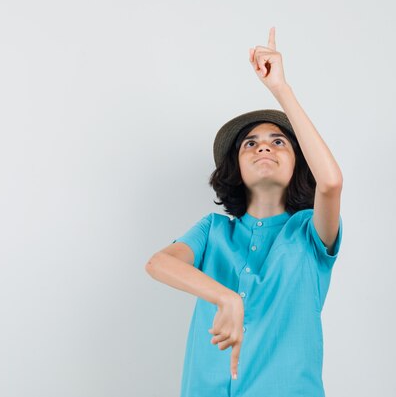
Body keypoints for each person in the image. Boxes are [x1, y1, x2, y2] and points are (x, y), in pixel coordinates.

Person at [145, 26, 344, 397]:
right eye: (250, 143)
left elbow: (331, 183)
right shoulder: (213, 231)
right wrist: (226, 297)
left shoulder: (311, 234)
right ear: (235, 168)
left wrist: (280, 89)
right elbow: (159, 263)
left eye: (278, 142)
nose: (263, 148)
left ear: (298, 163)